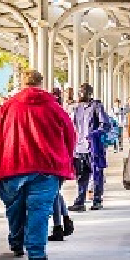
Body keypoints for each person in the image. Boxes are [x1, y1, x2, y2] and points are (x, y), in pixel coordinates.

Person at [0, 71, 76, 260]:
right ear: (41, 84)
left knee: (15, 209)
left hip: (11, 166)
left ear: (22, 84)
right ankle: (35, 252)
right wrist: (65, 159)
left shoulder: (6, 108)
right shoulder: (55, 108)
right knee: (40, 210)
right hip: (47, 167)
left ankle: (17, 243)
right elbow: (70, 136)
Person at [70, 84, 112, 211]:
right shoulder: (77, 109)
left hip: (93, 146)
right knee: (82, 175)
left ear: (89, 93)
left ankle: (97, 200)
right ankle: (80, 201)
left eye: (84, 92)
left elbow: (105, 125)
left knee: (97, 174)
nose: (81, 94)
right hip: (79, 147)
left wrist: (94, 134)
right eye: (80, 92)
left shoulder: (96, 106)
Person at [48, 88, 74, 242]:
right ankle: (65, 220)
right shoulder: (63, 116)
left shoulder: (51, 118)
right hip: (62, 159)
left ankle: (58, 226)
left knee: (53, 193)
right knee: (55, 192)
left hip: (54, 161)